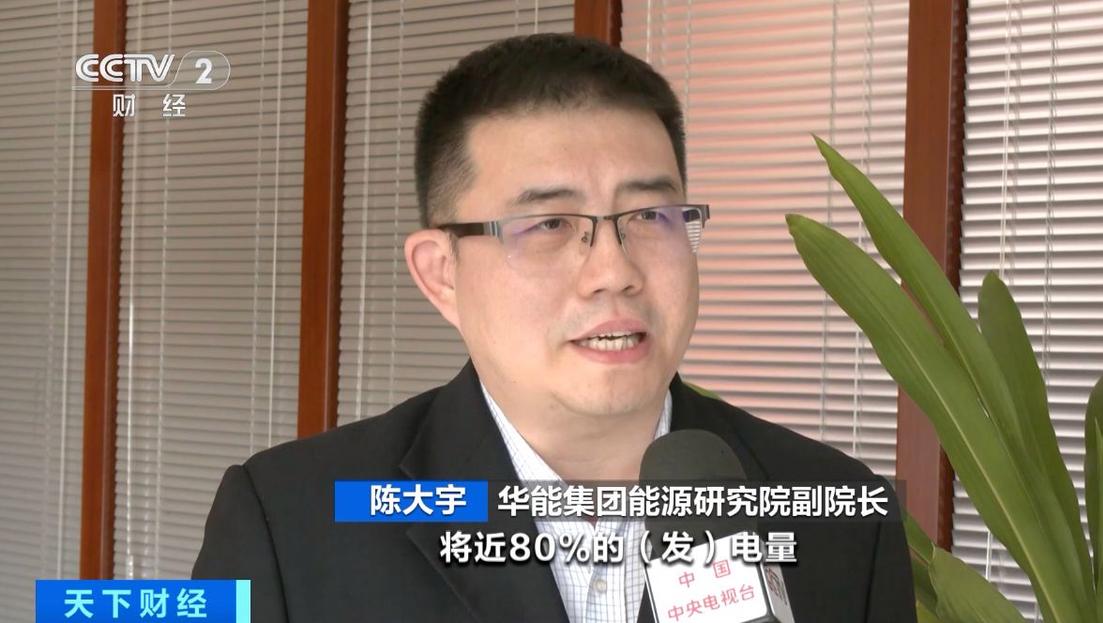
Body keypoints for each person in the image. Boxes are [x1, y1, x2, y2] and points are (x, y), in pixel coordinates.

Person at [193, 33, 916, 623]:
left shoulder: (841, 518)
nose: (613, 270)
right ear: (442, 274)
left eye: (649, 215)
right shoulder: (289, 521)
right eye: (549, 224)